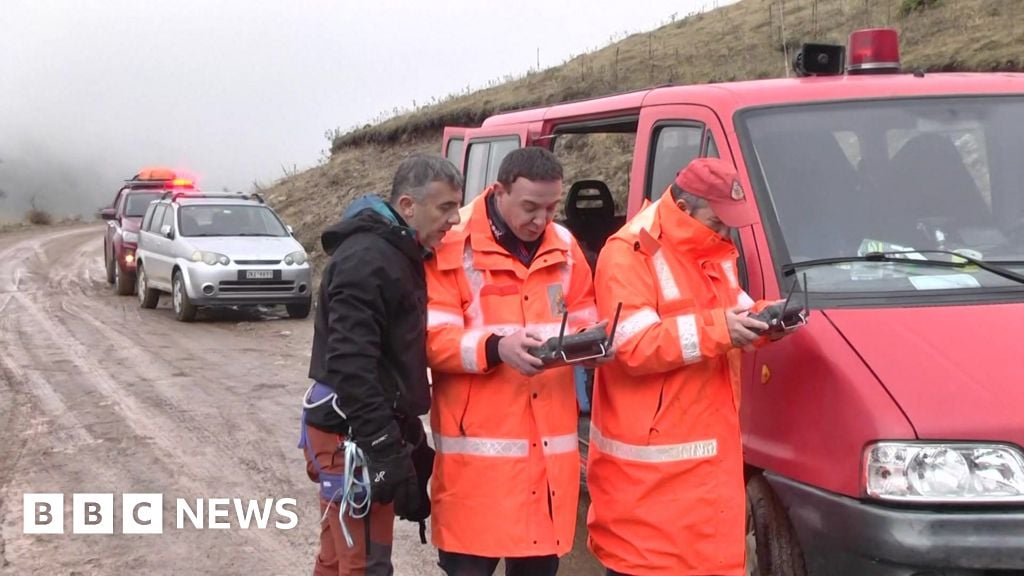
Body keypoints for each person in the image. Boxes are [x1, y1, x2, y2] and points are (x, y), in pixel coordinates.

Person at [586, 157, 799, 576]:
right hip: (649, 491)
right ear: (683, 209)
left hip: (703, 474)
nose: (724, 231)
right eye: (716, 221)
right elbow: (633, 344)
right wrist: (722, 329)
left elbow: (733, 310)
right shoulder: (628, 253)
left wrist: (767, 320)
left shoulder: (709, 249)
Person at [424, 147, 603, 576]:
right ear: (499, 191)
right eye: (529, 207)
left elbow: (585, 319)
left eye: (551, 207)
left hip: (545, 467)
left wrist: (592, 346)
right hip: (478, 473)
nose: (540, 220)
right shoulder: (453, 242)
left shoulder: (564, 245)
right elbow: (431, 340)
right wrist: (496, 348)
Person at [299, 154, 463, 576]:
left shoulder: (397, 254)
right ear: (408, 206)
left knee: (339, 558)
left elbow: (387, 359)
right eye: (445, 207)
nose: (455, 219)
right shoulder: (369, 260)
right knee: (364, 565)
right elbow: (352, 364)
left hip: (352, 425)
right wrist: (383, 448)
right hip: (349, 433)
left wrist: (406, 433)